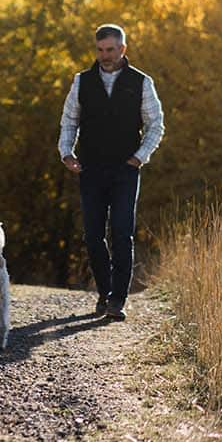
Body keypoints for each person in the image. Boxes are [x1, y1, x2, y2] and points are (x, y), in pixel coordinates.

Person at [58, 23, 164, 320]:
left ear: (122, 49)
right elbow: (69, 121)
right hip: (90, 168)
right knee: (93, 235)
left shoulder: (141, 82)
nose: (105, 56)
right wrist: (67, 153)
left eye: (110, 50)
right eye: (100, 50)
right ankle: (104, 294)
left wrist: (139, 157)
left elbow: (156, 124)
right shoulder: (82, 81)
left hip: (125, 169)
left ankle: (118, 300)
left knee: (121, 233)